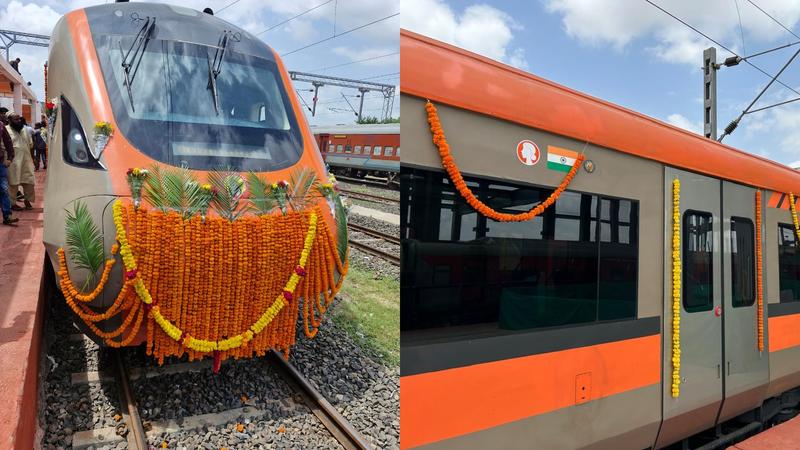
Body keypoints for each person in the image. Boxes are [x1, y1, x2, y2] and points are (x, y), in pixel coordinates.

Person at [5, 112, 35, 210]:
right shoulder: (6, 130)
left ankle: (28, 200)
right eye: (16, 119)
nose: (18, 121)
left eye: (19, 119)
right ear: (9, 120)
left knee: (29, 181)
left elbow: (30, 144)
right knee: (13, 183)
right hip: (13, 162)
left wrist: (32, 159)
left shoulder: (25, 130)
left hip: (26, 160)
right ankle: (12, 204)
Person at [0, 107, 17, 225]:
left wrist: (10, 158)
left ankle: (7, 215)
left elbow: (8, 142)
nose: (3, 115)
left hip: (0, 163)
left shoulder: (1, 125)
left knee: (4, 189)